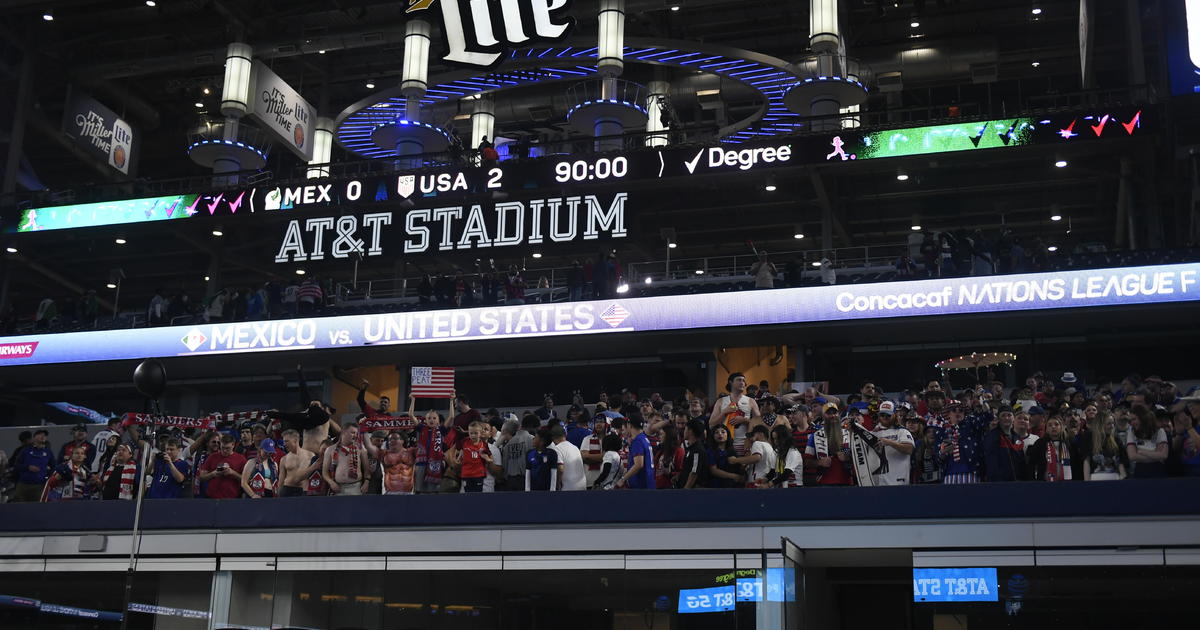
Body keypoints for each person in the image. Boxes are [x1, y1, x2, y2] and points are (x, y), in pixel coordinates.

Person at [266, 365, 338, 454]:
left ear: (323, 408)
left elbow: (340, 432)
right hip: (305, 456)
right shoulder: (304, 418)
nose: (313, 405)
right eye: (312, 405)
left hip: (320, 454)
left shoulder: (326, 419)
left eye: (316, 405)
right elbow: (304, 396)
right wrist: (276, 415)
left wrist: (332, 446)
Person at [709, 372, 762, 456]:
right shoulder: (721, 401)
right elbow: (711, 424)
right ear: (730, 382)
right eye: (739, 380)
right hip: (724, 444)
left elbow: (760, 424)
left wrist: (745, 420)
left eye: (744, 381)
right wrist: (724, 412)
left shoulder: (751, 401)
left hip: (745, 443)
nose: (742, 383)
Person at [807, 403, 853, 486]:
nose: (833, 416)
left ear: (838, 414)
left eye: (835, 413)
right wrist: (819, 462)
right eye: (829, 413)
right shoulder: (814, 436)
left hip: (847, 482)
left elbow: (858, 456)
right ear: (823, 416)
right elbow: (806, 461)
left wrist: (847, 457)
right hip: (824, 482)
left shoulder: (848, 434)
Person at [872, 401, 916, 486]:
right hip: (876, 483)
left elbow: (909, 449)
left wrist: (889, 442)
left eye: (888, 415)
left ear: (894, 415)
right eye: (882, 415)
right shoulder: (873, 434)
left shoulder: (902, 431)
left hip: (898, 482)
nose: (885, 417)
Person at [411, 395, 447, 494]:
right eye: (429, 418)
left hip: (435, 463)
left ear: (438, 420)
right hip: (421, 463)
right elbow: (411, 415)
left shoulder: (441, 430)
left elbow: (452, 417)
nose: (431, 420)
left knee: (433, 491)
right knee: (419, 490)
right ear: (425, 420)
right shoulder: (422, 428)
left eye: (434, 418)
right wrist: (413, 400)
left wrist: (451, 400)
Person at [323, 423, 369, 495]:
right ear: (343, 432)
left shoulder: (361, 449)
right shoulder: (330, 449)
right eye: (353, 433)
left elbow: (367, 470)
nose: (356, 435)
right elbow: (324, 473)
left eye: (357, 433)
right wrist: (331, 483)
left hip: (356, 487)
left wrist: (366, 482)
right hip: (337, 488)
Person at [981, 409, 1027, 482]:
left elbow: (1021, 461)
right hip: (999, 484)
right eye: (1003, 415)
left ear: (1013, 418)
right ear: (999, 419)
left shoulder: (1017, 437)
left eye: (1009, 415)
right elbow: (992, 464)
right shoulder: (992, 437)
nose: (1006, 418)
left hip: (1018, 483)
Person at [1125, 407, 1168, 478]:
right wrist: (1155, 455)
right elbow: (1132, 456)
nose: (1132, 423)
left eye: (1134, 419)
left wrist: (1142, 452)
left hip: (1158, 471)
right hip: (1140, 471)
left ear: (1143, 418)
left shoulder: (1160, 431)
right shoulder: (1131, 432)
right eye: (1130, 421)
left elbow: (1163, 455)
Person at [199, 435, 247, 499]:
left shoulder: (241, 459)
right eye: (222, 448)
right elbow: (201, 477)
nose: (224, 450)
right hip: (212, 497)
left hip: (232, 497)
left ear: (233, 445)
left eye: (227, 448)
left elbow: (246, 480)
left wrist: (233, 473)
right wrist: (213, 474)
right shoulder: (212, 457)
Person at [1083, 411, 1126, 481]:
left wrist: (1122, 478)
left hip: (1115, 479)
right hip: (1095, 479)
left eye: (1113, 423)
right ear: (1100, 425)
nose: (1112, 426)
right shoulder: (1089, 438)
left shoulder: (1116, 440)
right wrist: (1087, 482)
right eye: (1109, 424)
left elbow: (1121, 462)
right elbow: (1086, 461)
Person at [12, 429, 53, 502]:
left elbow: (54, 467)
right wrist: (28, 467)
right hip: (23, 485)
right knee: (18, 509)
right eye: (40, 434)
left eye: (45, 435)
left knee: (37, 510)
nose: (43, 436)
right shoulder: (25, 450)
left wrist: (46, 477)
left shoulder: (48, 452)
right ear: (34, 438)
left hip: (39, 486)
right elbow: (16, 465)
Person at [1028, 417, 1074, 482]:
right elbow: (1032, 464)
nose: (1053, 427)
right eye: (1050, 425)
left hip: (1069, 483)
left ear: (1061, 427)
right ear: (1046, 429)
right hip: (1045, 483)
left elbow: (1076, 464)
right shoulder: (1040, 444)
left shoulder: (1070, 443)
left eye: (1056, 424)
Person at [617, 416, 655, 489]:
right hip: (648, 483)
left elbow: (638, 465)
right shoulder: (644, 438)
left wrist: (623, 479)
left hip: (641, 486)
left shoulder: (637, 441)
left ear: (629, 425)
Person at [277, 430, 317, 497]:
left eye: (286, 441)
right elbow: (281, 480)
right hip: (287, 490)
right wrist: (278, 495)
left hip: (303, 490)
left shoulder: (310, 455)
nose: (284, 444)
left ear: (295, 440)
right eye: (284, 441)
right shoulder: (284, 459)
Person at [458, 421, 492, 493]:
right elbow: (459, 449)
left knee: (477, 494)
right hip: (466, 474)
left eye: (476, 433)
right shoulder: (464, 441)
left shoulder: (484, 445)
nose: (473, 435)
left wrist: (487, 459)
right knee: (468, 494)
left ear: (480, 433)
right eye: (471, 433)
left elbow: (490, 457)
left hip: (479, 474)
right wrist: (459, 456)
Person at [550, 424, 586, 491]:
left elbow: (560, 469)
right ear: (565, 435)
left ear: (553, 438)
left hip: (569, 488)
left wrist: (557, 484)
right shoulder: (575, 447)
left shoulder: (557, 449)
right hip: (582, 486)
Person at [653, 424, 684, 489]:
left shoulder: (679, 451)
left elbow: (682, 472)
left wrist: (671, 474)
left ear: (669, 436)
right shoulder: (660, 452)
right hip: (658, 488)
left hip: (671, 490)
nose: (659, 436)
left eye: (661, 434)